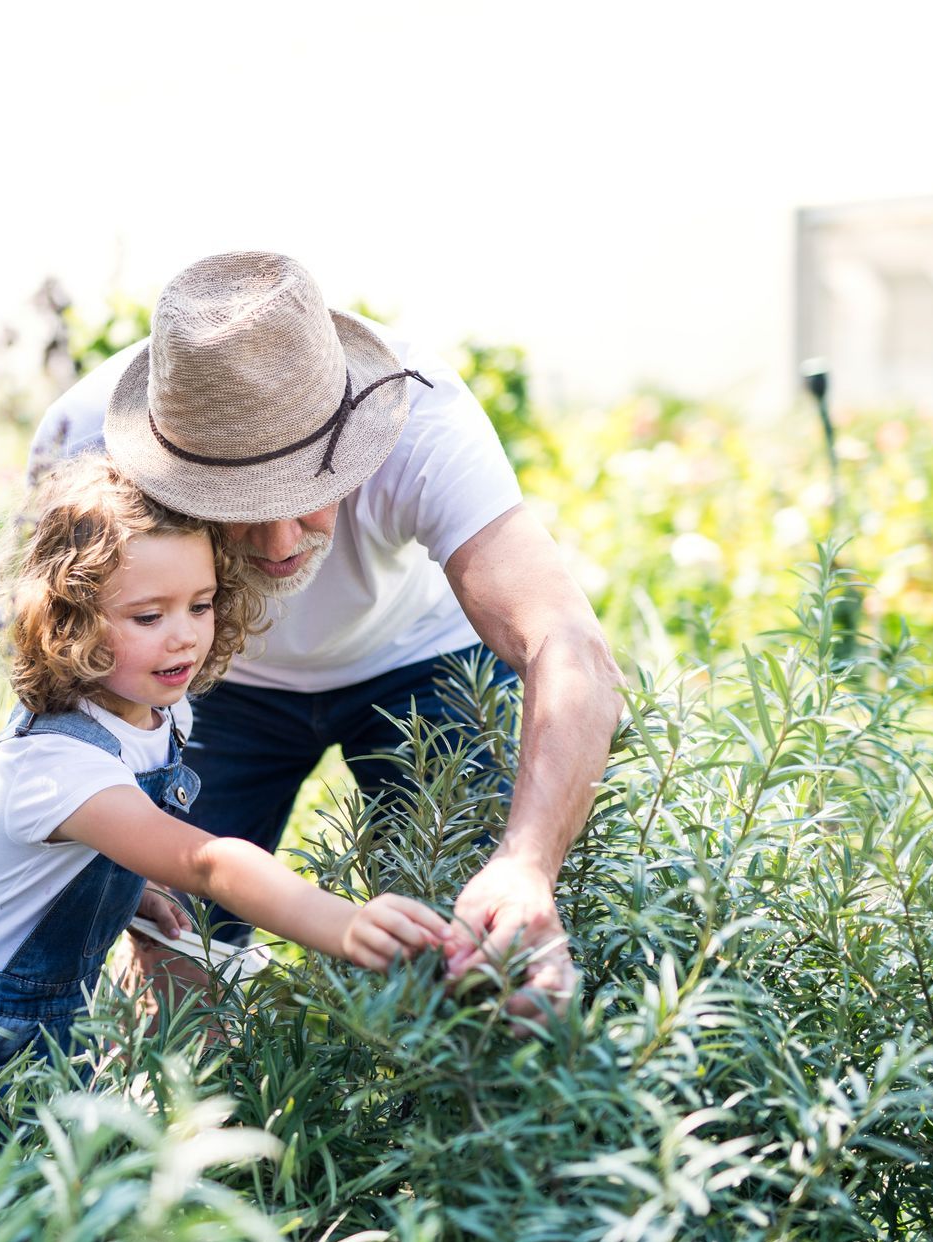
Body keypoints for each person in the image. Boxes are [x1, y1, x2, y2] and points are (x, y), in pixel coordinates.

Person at [31, 251, 624, 1017]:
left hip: (421, 663)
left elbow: (568, 645)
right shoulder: (89, 445)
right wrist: (121, 818)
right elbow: (62, 653)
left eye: (313, 490)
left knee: (477, 947)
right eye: (239, 502)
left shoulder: (421, 418)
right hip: (208, 682)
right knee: (180, 950)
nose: (280, 542)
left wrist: (526, 864)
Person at [0, 454, 449, 1079]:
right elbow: (205, 861)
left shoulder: (162, 714)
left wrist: (119, 894)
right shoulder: (58, 765)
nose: (183, 637)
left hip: (46, 1014)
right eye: (149, 616)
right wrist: (347, 926)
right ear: (71, 620)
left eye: (200, 606)